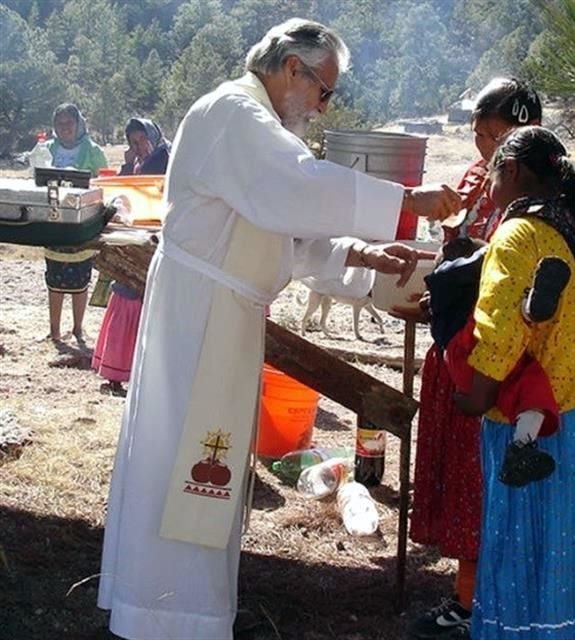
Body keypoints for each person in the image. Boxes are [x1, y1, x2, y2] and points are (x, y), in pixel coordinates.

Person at [96, 20, 459, 640]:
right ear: (293, 68)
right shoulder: (235, 113)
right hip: (201, 320)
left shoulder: (255, 127)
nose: (323, 108)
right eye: (324, 92)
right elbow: (293, 190)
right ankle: (167, 616)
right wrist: (404, 203)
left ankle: (193, 612)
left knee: (208, 468)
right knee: (187, 466)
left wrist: (364, 257)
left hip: (221, 317)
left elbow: (281, 234)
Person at [457, 125, 575, 640]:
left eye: (494, 172)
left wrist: (475, 394)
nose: (489, 185)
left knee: (518, 554)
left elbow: (499, 332)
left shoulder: (517, 234)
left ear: (515, 171)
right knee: (564, 560)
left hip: (526, 428)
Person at [408, 78, 542, 640]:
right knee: (462, 470)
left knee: (485, 475)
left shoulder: (540, 195)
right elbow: (452, 245)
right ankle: (470, 591)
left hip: (500, 357)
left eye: (500, 135)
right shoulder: (470, 179)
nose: (488, 147)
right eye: (480, 134)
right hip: (454, 344)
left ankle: (479, 601)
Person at [429, 239, 569, 486]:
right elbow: (450, 273)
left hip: (472, 363)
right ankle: (528, 308)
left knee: (531, 386)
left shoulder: (446, 297)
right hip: (467, 347)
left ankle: (521, 446)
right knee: (503, 316)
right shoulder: (444, 280)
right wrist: (495, 251)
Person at [91, 118, 171, 397]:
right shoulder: (134, 164)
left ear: (154, 135)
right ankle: (116, 372)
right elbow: (124, 192)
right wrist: (126, 166)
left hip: (157, 239)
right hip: (133, 237)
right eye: (134, 142)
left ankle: (143, 375)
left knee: (145, 302)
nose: (139, 146)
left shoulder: (168, 159)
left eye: (143, 140)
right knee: (125, 295)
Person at [40, 103, 108, 343]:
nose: (65, 127)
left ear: (78, 124)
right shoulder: (46, 149)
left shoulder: (93, 150)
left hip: (83, 222)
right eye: (60, 123)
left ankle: (78, 327)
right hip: (55, 221)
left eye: (69, 122)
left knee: (81, 274)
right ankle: (54, 330)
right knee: (54, 274)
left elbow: (104, 184)